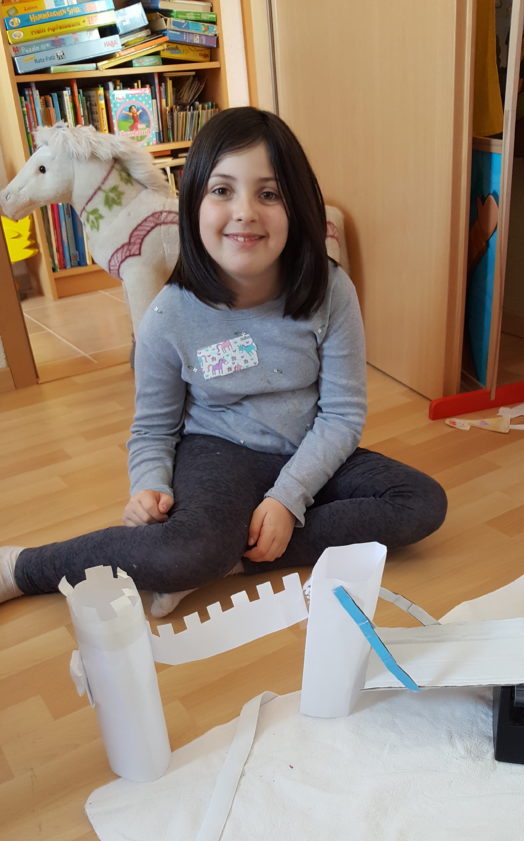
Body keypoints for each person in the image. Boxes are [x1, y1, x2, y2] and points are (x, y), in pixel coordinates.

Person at [0, 106, 447, 616]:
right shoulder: (167, 314)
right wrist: (149, 486)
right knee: (184, 550)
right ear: (193, 203)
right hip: (219, 453)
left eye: (269, 193)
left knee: (420, 503)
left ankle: (229, 559)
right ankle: (22, 567)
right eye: (222, 190)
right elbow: (153, 428)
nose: (245, 212)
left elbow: (343, 415)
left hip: (310, 450)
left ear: (298, 205)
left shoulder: (331, 289)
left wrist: (287, 498)